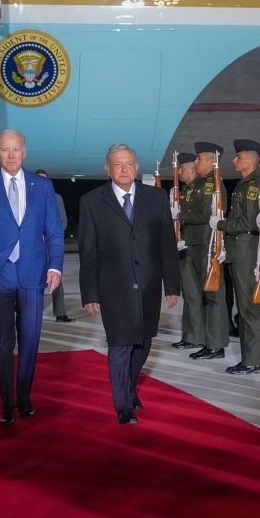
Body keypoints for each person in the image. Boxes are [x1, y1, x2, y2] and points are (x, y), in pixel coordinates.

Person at [0, 130, 65, 426]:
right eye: (5, 150)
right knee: (5, 341)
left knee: (30, 341)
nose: (10, 155)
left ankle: (24, 397)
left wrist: (55, 267)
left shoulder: (42, 186)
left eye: (15, 149)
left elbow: (55, 232)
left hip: (34, 274)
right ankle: (7, 403)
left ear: (24, 151)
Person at [78, 144, 181, 425]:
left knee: (143, 343)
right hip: (114, 287)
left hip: (148, 285)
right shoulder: (92, 202)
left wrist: (172, 284)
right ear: (107, 169)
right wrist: (90, 292)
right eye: (118, 165)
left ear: (136, 167)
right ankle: (123, 405)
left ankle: (129, 385)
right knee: (120, 345)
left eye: (129, 164)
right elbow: (88, 252)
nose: (124, 169)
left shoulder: (157, 198)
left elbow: (167, 246)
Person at [216, 139, 260, 374]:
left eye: (240, 156)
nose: (235, 160)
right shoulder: (243, 184)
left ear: (253, 159)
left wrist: (222, 224)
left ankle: (255, 360)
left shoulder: (255, 184)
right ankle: (249, 358)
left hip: (247, 251)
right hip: (239, 250)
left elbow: (248, 221)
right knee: (244, 307)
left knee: (249, 308)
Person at [180, 143, 226, 360]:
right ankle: (206, 340)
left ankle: (216, 345)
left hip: (207, 245)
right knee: (202, 296)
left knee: (213, 297)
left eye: (199, 159)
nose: (195, 162)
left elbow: (205, 215)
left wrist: (179, 216)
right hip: (196, 244)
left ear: (211, 161)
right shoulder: (199, 185)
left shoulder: (212, 185)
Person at [168, 152, 205, 350]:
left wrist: (180, 214)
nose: (179, 172)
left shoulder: (200, 188)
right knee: (189, 295)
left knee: (193, 295)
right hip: (184, 247)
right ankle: (189, 335)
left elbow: (202, 215)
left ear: (192, 170)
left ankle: (196, 337)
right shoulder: (185, 191)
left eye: (182, 168)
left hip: (194, 247)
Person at [34, 170, 74, 323]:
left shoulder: (56, 198)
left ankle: (60, 313)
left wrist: (50, 236)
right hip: (33, 246)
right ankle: (34, 313)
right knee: (34, 281)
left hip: (50, 245)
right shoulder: (25, 197)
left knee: (57, 279)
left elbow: (62, 221)